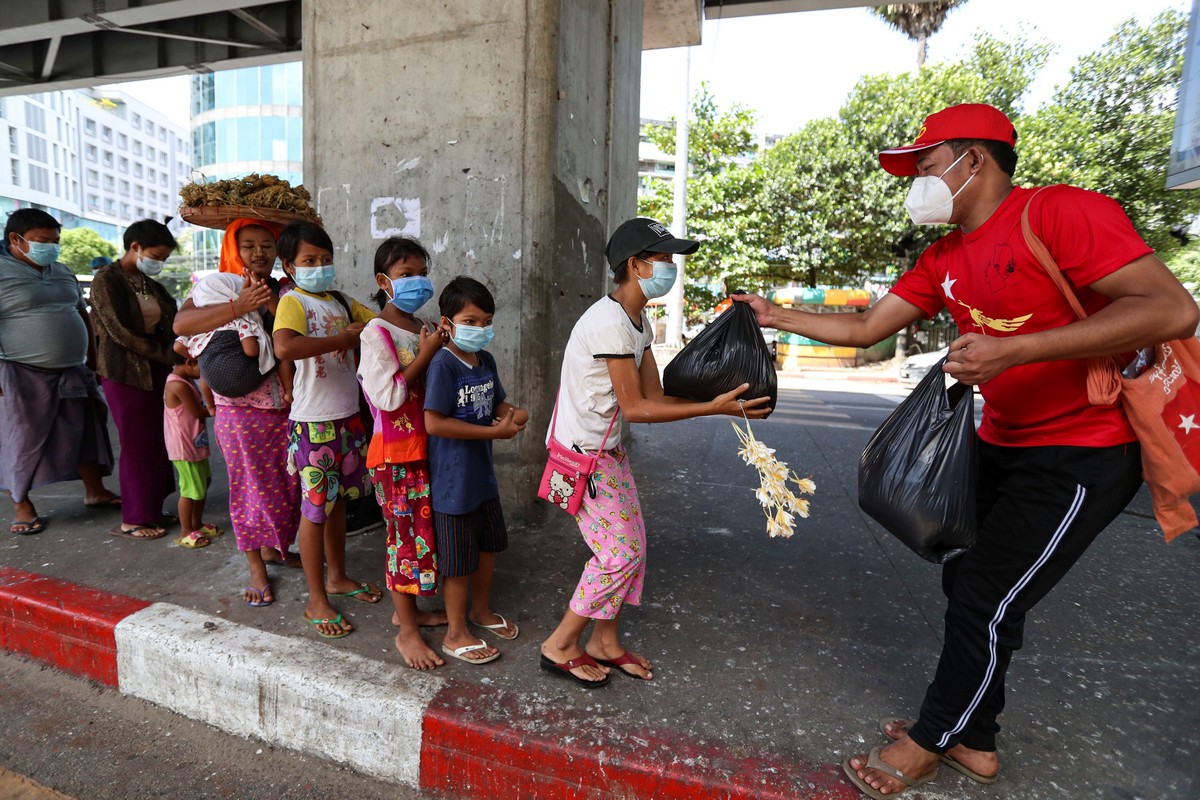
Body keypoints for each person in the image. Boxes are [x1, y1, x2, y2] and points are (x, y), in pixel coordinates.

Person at [732, 103, 1200, 799]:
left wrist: (1014, 350)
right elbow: (865, 327)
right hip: (1000, 443)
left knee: (986, 593)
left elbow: (1171, 309)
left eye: (924, 166)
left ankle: (930, 740)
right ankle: (973, 739)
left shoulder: (1060, 213)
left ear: (972, 160)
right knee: (968, 581)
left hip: (1083, 452)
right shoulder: (943, 256)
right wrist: (773, 315)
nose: (916, 183)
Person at [538, 218, 772, 687]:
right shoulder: (609, 324)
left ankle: (605, 640)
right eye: (662, 258)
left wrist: (726, 403)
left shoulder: (635, 318)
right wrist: (712, 407)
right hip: (582, 456)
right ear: (635, 264)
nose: (670, 267)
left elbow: (657, 395)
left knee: (633, 548)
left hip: (606, 451)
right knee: (618, 554)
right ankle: (560, 643)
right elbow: (638, 409)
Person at [174, 218, 300, 607]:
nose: (259, 253)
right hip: (240, 413)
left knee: (288, 486)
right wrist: (238, 305)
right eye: (248, 245)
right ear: (233, 248)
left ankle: (273, 547)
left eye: (266, 245)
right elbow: (181, 323)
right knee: (249, 489)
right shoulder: (216, 286)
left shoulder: (286, 288)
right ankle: (257, 571)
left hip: (286, 406)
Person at [272, 221, 380, 638]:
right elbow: (285, 346)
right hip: (313, 423)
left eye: (325, 259)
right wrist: (341, 340)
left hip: (347, 419)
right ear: (290, 266)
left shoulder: (339, 300)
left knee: (338, 507)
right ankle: (316, 599)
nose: (319, 266)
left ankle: (338, 577)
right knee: (314, 512)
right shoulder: (293, 301)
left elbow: (376, 324)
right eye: (309, 261)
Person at [423, 276, 528, 665]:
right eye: (471, 321)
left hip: (482, 477)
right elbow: (433, 422)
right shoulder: (443, 365)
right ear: (447, 323)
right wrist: (491, 432)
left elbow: (498, 402)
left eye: (486, 321)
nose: (480, 329)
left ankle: (481, 612)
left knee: (487, 548)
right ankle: (455, 632)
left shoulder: (485, 360)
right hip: (453, 483)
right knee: (457, 562)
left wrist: (512, 416)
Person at [358, 236, 450, 668]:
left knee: (422, 536)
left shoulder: (423, 328)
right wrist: (428, 353)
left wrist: (440, 347)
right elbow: (390, 396)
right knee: (403, 542)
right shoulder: (376, 333)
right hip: (395, 455)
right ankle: (407, 633)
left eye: (420, 273)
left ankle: (408, 611)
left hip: (426, 448)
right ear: (384, 281)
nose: (416, 282)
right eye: (405, 275)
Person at [0, 209, 118, 534]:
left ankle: (95, 491)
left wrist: (93, 359)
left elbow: (82, 314)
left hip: (73, 368)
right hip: (18, 370)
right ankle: (21, 504)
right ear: (16, 239)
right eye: (43, 241)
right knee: (20, 438)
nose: (51, 247)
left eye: (55, 242)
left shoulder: (62, 271)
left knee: (86, 428)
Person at [90, 219, 180, 540]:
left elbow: (170, 318)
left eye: (164, 258)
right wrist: (172, 355)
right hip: (125, 372)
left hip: (156, 368)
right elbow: (120, 332)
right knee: (137, 444)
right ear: (135, 247)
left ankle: (152, 508)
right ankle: (134, 518)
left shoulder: (148, 283)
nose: (159, 263)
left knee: (158, 441)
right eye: (156, 255)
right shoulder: (106, 280)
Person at [164, 356, 219, 550]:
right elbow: (198, 412)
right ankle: (185, 531)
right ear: (189, 362)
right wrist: (220, 406)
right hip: (183, 445)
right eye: (201, 367)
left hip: (194, 441)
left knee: (203, 482)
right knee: (190, 489)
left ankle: (197, 525)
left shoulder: (186, 380)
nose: (203, 372)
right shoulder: (177, 385)